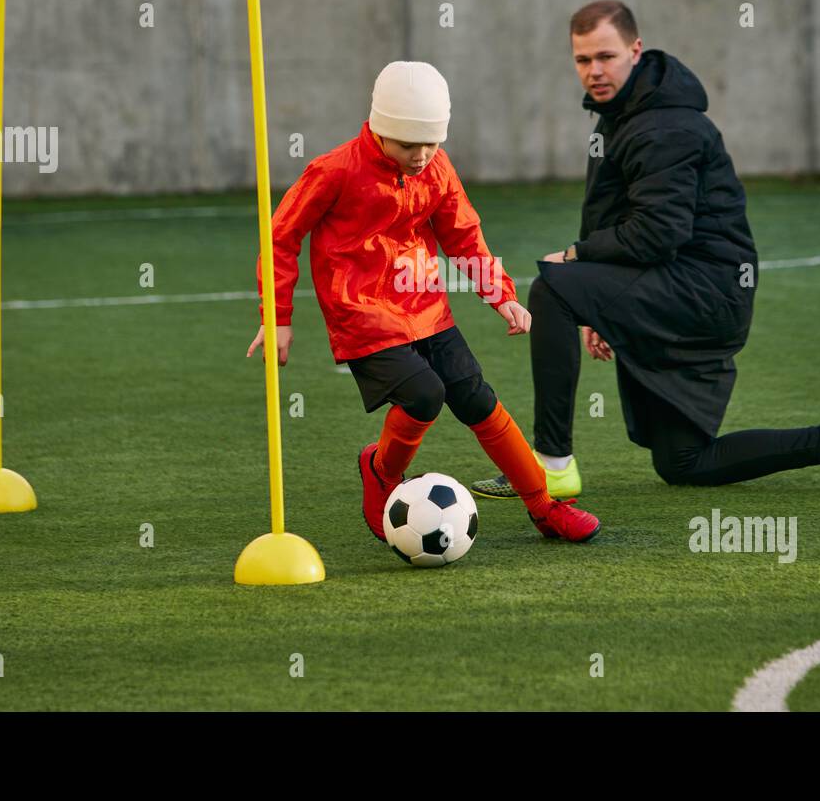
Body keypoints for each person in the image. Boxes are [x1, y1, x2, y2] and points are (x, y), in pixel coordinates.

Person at [471, 0, 820, 500]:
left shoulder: (664, 126)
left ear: (636, 50)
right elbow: (610, 216)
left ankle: (550, 463)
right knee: (686, 461)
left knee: (549, 288)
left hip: (704, 292)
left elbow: (658, 233)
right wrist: (594, 303)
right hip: (684, 286)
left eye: (606, 56)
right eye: (582, 60)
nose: (594, 71)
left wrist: (576, 260)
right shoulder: (621, 116)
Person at [248, 60, 601, 545]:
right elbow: (280, 237)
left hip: (427, 309)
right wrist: (278, 317)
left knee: (477, 397)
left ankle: (544, 507)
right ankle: (381, 471)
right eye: (407, 144)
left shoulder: (437, 167)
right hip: (363, 317)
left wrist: (502, 297)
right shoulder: (332, 171)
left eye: (432, 143)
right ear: (378, 130)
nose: (421, 155)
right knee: (424, 395)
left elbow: (464, 237)